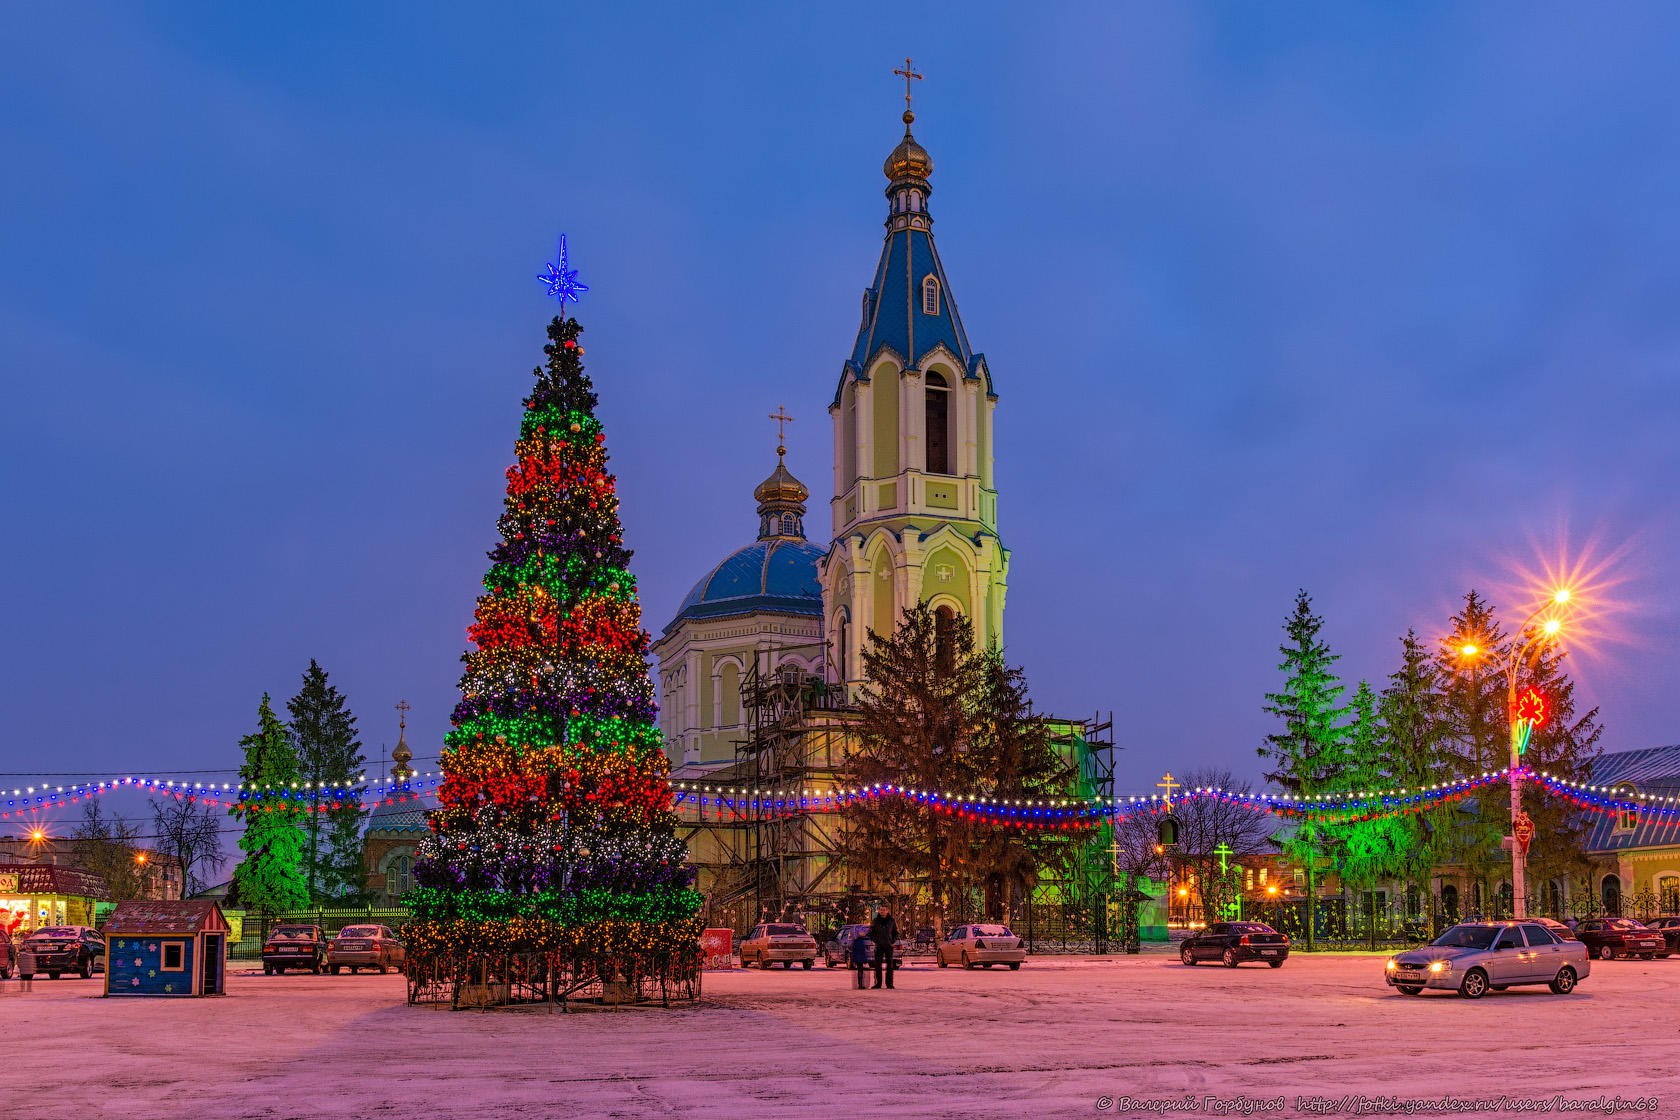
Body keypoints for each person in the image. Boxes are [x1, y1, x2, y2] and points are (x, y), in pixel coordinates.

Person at [868, 904, 899, 989]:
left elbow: (896, 933)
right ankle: (878, 983)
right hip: (879, 946)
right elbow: (871, 933)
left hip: (888, 946)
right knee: (878, 965)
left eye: (884, 910)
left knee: (890, 966)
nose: (882, 911)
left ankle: (889, 984)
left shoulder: (891, 921)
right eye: (881, 910)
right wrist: (876, 941)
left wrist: (892, 941)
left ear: (887, 911)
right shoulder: (875, 921)